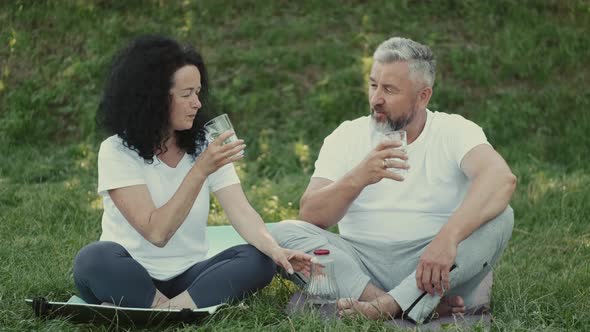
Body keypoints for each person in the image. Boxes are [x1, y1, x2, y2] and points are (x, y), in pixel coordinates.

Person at [271, 37, 516, 323]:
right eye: (373, 85)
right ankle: (397, 304)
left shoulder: (454, 130)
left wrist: (448, 238)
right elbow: (311, 214)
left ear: (423, 96)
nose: (376, 99)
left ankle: (387, 306)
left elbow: (501, 179)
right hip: (360, 265)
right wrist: (359, 177)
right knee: (277, 234)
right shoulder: (346, 136)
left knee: (502, 216)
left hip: (435, 265)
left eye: (389, 89)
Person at [73, 35, 311, 310]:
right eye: (186, 94)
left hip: (189, 277)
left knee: (258, 260)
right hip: (129, 272)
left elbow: (242, 212)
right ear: (153, 98)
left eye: (198, 92)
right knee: (92, 260)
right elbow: (157, 233)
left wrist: (275, 251)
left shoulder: (205, 146)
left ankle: (166, 311)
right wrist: (200, 171)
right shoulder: (116, 151)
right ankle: (178, 308)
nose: (197, 103)